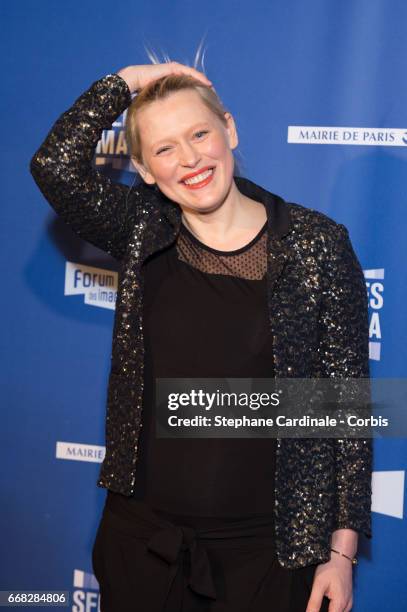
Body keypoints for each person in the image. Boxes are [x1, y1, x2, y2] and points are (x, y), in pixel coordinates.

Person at [30, 59, 372, 612]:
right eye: (164, 149)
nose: (189, 159)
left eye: (199, 133)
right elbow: (54, 166)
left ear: (230, 130)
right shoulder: (141, 228)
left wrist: (341, 553)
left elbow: (346, 409)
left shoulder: (316, 245)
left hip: (268, 557)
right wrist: (128, 81)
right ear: (143, 169)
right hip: (142, 548)